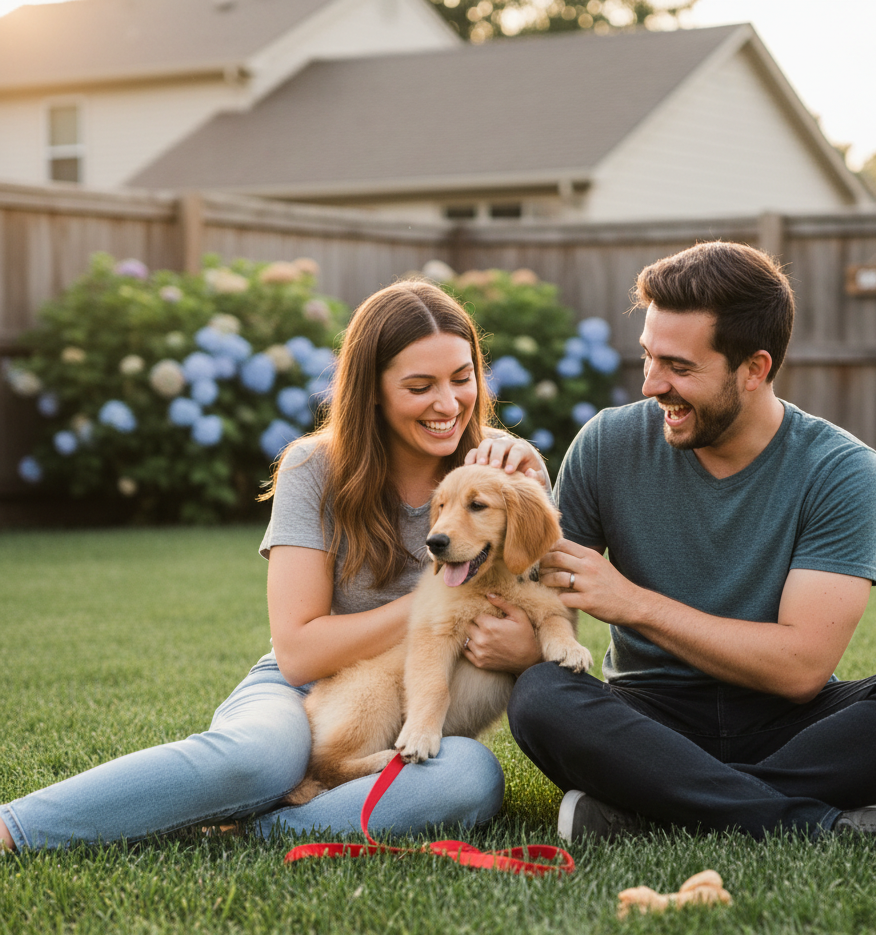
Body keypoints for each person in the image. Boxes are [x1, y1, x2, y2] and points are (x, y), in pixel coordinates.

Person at [0, 280, 545, 852]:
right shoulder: (315, 468)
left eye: (463, 378)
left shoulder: (503, 478)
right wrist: (436, 603)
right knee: (264, 757)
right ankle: (17, 827)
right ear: (373, 392)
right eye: (419, 386)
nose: (448, 404)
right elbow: (299, 650)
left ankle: (257, 831)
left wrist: (533, 488)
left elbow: (535, 617)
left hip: (423, 714)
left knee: (470, 776)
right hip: (301, 688)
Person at [506, 242, 876, 850]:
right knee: (543, 696)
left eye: (679, 368)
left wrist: (635, 604)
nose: (652, 385)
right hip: (647, 719)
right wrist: (511, 482)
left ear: (754, 369)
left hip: (788, 723)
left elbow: (800, 668)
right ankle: (817, 827)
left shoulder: (840, 468)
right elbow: (539, 607)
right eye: (649, 357)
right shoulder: (607, 443)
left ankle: (654, 810)